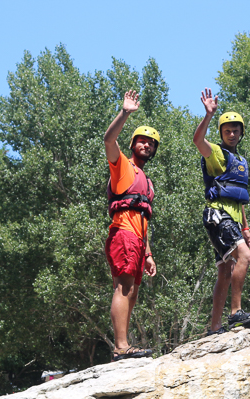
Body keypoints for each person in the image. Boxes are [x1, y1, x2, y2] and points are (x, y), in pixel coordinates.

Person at [192, 88, 250, 336]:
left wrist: (245, 227)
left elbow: (238, 196)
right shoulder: (217, 154)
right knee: (246, 256)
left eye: (235, 130)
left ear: (242, 133)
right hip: (217, 216)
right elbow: (198, 141)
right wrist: (209, 115)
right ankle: (236, 314)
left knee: (225, 270)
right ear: (221, 133)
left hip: (231, 218)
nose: (231, 134)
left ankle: (214, 328)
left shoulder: (240, 162)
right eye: (227, 130)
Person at [104, 90, 159, 360]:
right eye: (142, 141)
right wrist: (125, 112)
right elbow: (108, 139)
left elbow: (144, 218)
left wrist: (147, 253)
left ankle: (123, 345)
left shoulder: (146, 182)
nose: (147, 145)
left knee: (133, 292)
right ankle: (121, 347)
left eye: (151, 144)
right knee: (123, 288)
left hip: (138, 240)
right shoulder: (122, 166)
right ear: (132, 143)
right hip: (123, 234)